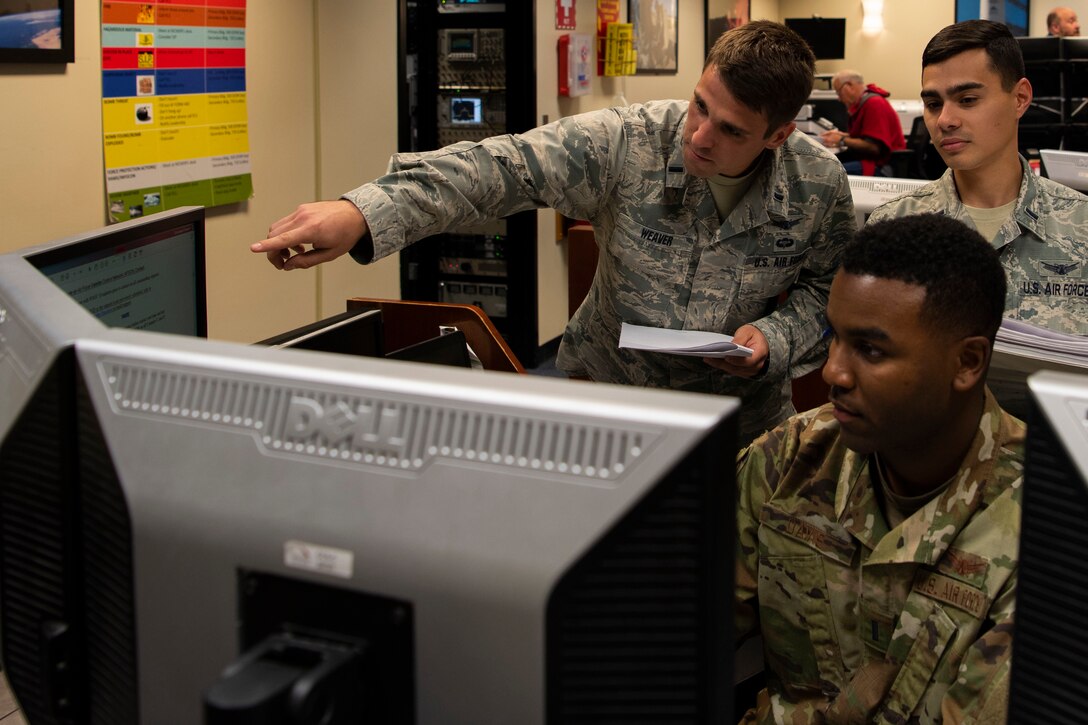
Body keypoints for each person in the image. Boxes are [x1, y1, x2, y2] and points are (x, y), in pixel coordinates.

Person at [251, 21, 856, 443]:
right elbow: (498, 168)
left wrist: (775, 337)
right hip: (612, 403)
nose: (698, 136)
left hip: (741, 426)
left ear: (778, 136)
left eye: (730, 130)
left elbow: (828, 292)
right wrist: (363, 212)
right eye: (699, 105)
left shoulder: (817, 183)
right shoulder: (630, 141)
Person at [735, 213, 1021, 724]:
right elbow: (675, 629)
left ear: (968, 363)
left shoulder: (1043, 522)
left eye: (869, 349)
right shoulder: (791, 458)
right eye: (834, 338)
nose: (833, 372)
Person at [868, 19, 1088, 336]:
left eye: (967, 100)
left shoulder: (1080, 223)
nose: (944, 120)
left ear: (1020, 98)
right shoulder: (893, 226)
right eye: (933, 104)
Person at [818, 70, 906, 176]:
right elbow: (866, 135)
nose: (839, 98)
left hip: (882, 166)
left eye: (838, 92)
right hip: (871, 161)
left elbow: (873, 147)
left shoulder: (874, 104)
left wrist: (841, 140)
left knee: (827, 172)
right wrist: (842, 135)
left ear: (849, 86)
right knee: (828, 164)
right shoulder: (865, 103)